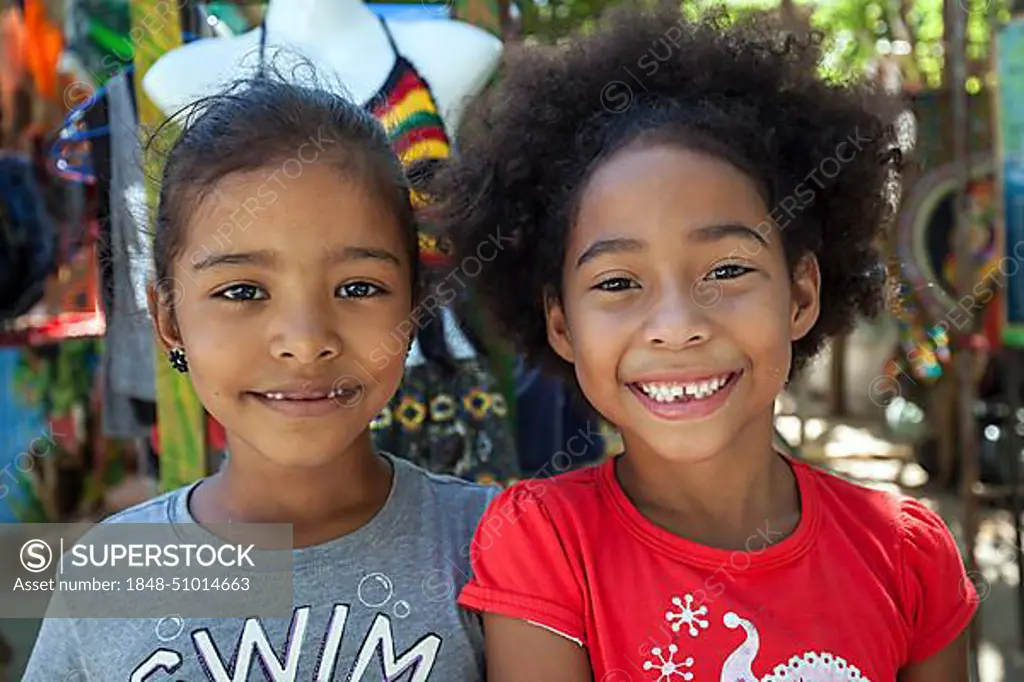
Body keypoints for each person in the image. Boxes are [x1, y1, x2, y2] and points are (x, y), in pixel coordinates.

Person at [430, 4, 978, 681]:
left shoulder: (908, 556)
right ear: (562, 324)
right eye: (619, 281)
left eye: (726, 271)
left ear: (801, 295)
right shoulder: (543, 548)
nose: (677, 323)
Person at [23, 73, 495, 681]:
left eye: (358, 288)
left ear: (412, 307)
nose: (304, 341)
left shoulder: (489, 547)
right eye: (243, 291)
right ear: (169, 319)